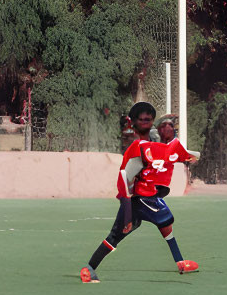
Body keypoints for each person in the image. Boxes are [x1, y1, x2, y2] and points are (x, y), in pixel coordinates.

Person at [80, 102, 199, 283]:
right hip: (141, 199)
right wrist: (127, 213)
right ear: (133, 122)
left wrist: (187, 154)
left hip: (150, 198)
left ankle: (180, 263)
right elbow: (125, 182)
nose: (145, 122)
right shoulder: (137, 149)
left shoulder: (156, 146)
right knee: (118, 235)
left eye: (149, 119)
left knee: (164, 225)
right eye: (141, 119)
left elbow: (185, 155)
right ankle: (89, 268)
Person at [151, 114, 198, 198]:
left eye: (170, 126)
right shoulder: (153, 142)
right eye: (164, 126)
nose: (167, 128)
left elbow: (189, 159)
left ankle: (188, 183)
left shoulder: (175, 144)